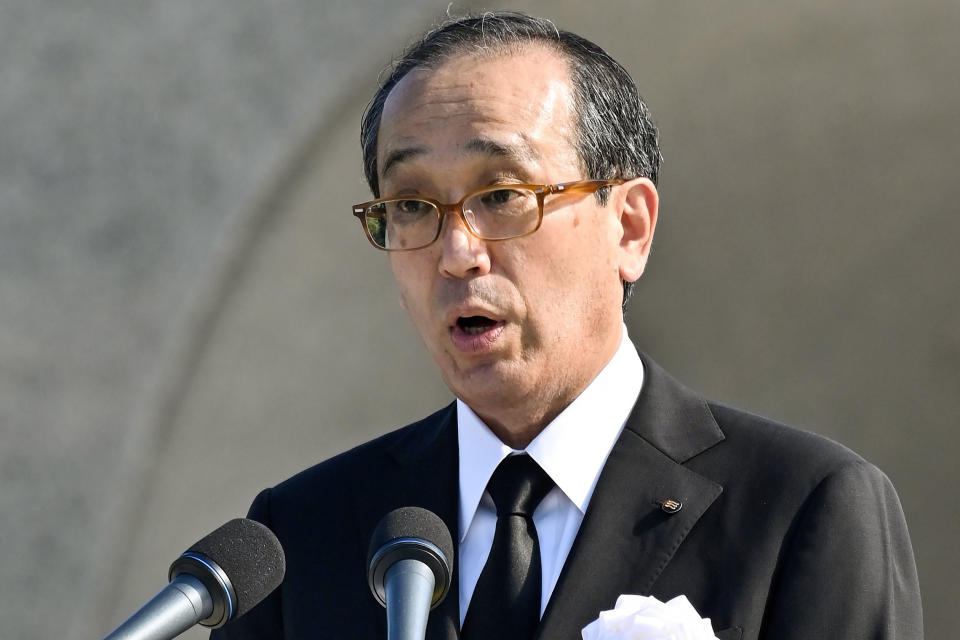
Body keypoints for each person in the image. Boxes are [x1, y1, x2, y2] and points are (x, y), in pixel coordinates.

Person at [212, 11, 922, 640]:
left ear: (630, 227)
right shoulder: (302, 535)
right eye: (412, 205)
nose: (458, 253)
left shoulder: (800, 508)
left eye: (501, 194)